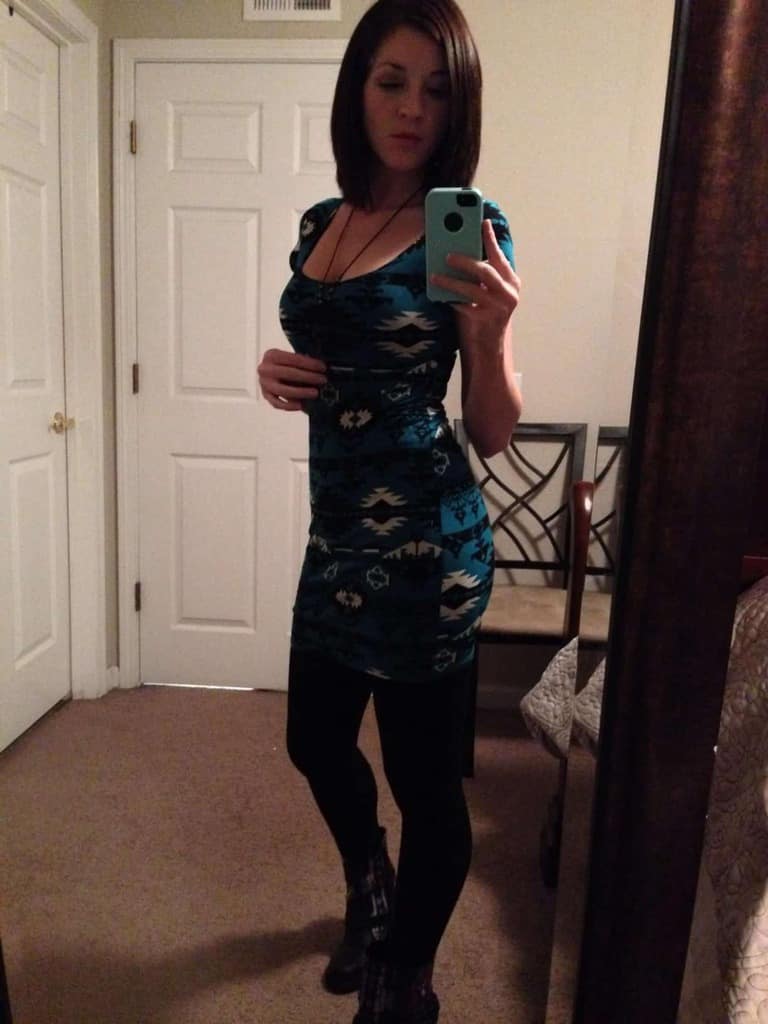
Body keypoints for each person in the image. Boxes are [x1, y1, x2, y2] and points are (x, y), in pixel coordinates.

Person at [257, 1, 521, 1020]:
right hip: (337, 539)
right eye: (392, 81)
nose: (413, 109)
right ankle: (369, 881)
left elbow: (492, 431)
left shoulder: (468, 227)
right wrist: (278, 373)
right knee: (313, 741)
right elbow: (327, 353)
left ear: (461, 106)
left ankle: (404, 979)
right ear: (357, 90)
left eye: (437, 90)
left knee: (427, 787)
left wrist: (490, 340)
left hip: (427, 549)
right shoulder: (322, 223)